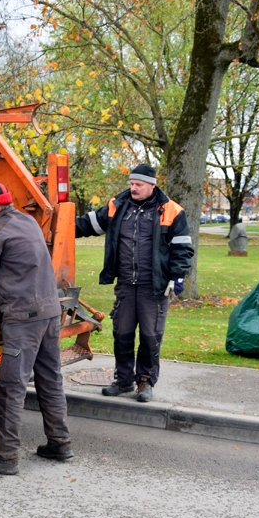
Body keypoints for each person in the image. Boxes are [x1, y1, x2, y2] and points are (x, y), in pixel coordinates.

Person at [0, 182, 71, 475]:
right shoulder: (26, 221)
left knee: (10, 387)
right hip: (49, 311)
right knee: (49, 379)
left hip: (24, 318)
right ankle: (60, 442)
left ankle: (5, 457)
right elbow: (9, 243)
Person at [75, 164, 194, 402]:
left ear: (152, 185)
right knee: (122, 333)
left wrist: (177, 277)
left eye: (139, 184)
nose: (134, 188)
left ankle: (145, 382)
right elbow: (88, 224)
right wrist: (59, 224)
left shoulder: (171, 211)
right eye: (131, 183)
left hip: (155, 287)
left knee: (150, 336)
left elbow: (183, 248)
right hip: (127, 285)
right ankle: (123, 381)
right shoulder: (117, 207)